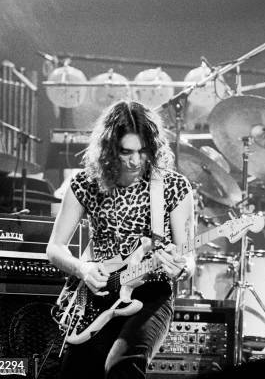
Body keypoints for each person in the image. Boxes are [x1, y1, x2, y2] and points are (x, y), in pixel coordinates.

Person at [46, 100, 195, 378]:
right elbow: (54, 248)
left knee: (122, 367)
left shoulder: (173, 187)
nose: (136, 160)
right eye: (126, 152)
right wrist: (83, 268)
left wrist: (183, 267)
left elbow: (187, 255)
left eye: (143, 151)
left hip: (150, 294)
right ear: (109, 149)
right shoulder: (85, 184)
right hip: (97, 294)